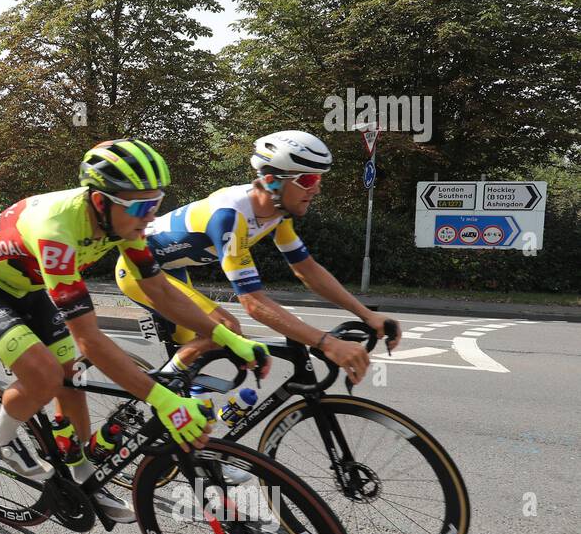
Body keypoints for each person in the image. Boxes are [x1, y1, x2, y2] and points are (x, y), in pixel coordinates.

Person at [0, 139, 270, 524]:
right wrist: (166, 402)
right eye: (140, 206)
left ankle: (82, 471)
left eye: (156, 204)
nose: (149, 217)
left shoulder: (124, 224)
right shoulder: (57, 229)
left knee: (73, 378)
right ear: (101, 202)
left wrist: (233, 340)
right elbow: (91, 338)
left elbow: (159, 288)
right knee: (45, 375)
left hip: (32, 289)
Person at [115, 130, 400, 385]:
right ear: (271, 180)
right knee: (225, 329)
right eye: (308, 179)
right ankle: (162, 401)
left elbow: (307, 270)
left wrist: (366, 314)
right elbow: (252, 302)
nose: (317, 188)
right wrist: (327, 343)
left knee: (201, 347)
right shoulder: (230, 216)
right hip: (139, 269)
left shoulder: (277, 215)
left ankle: (177, 396)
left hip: (172, 269)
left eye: (319, 179)